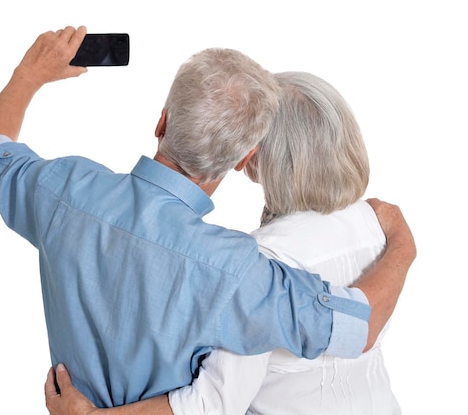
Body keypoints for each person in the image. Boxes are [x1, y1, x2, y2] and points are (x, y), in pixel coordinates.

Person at [0, 26, 416, 407]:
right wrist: (401, 241)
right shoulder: (236, 269)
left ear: (161, 121)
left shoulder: (63, 188)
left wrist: (29, 74)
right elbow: (358, 326)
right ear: (244, 158)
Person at [44, 71, 405, 415]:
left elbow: (211, 405)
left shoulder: (261, 259)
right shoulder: (375, 222)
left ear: (258, 150)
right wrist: (406, 246)